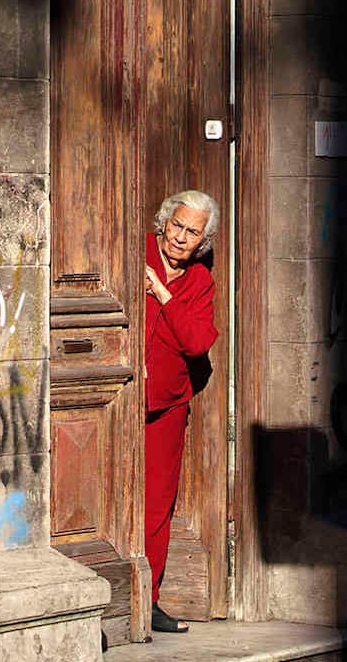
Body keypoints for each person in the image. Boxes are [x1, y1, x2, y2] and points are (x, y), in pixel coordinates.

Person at [144, 189, 219, 634]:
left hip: (167, 403)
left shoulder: (200, 283)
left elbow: (196, 342)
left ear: (201, 243)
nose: (180, 237)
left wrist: (162, 295)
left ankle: (148, 599)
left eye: (192, 233)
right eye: (177, 225)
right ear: (164, 222)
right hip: (116, 396)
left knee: (157, 504)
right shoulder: (130, 254)